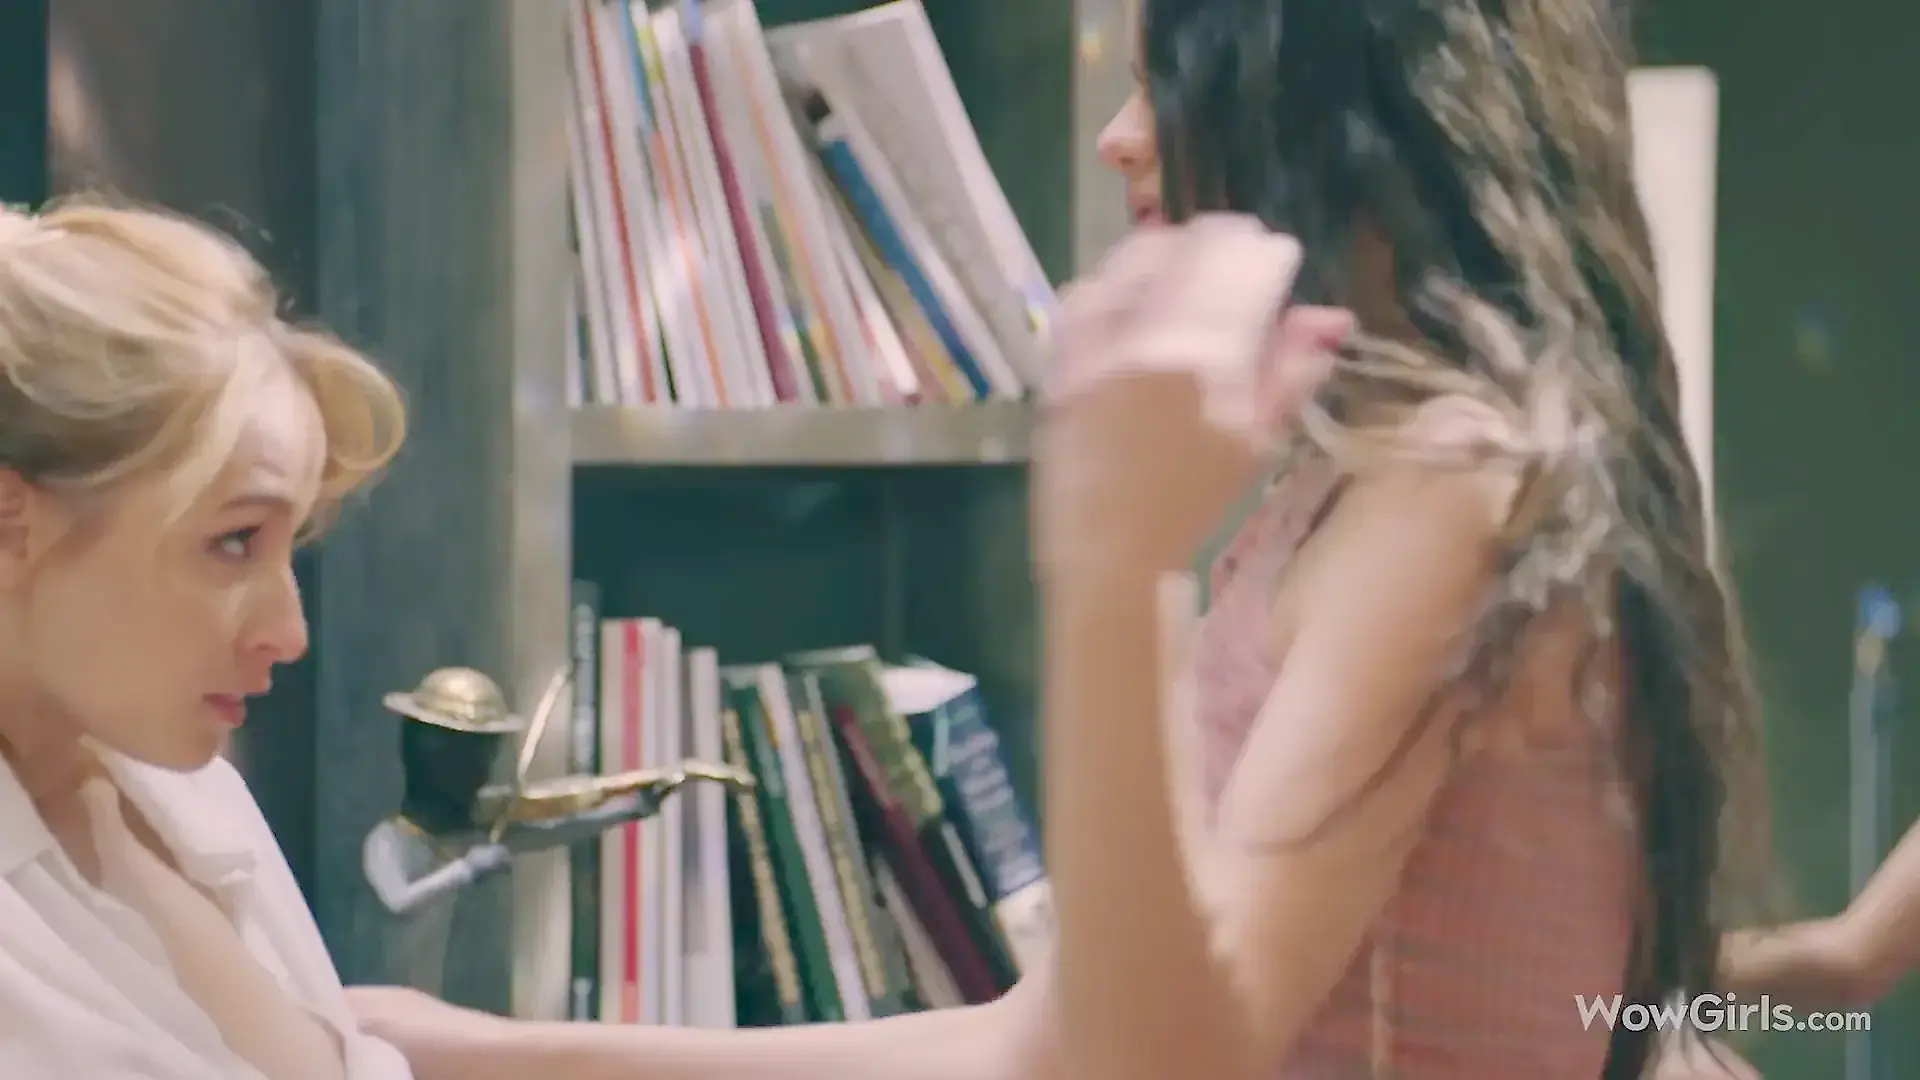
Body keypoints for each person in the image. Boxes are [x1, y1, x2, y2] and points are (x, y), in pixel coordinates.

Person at [350, 1, 1768, 1078]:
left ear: (1329, 105)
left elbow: (1156, 1062)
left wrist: (1113, 565)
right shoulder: (1371, 479)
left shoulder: (1455, 485)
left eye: (1167, 80)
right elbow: (1043, 1038)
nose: (1119, 136)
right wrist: (478, 1054)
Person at [0, 198, 410, 1078]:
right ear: (9, 526)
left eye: (289, 547)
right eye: (234, 541)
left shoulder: (189, 800)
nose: (288, 635)